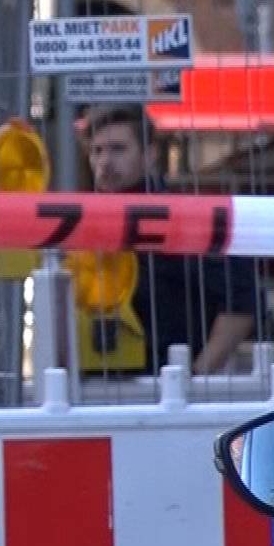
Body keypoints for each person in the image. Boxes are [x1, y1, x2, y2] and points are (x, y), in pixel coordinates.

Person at [84, 104, 261, 375]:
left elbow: (241, 302)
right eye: (97, 151)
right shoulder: (84, 223)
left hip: (168, 380)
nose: (105, 162)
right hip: (93, 380)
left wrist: (198, 375)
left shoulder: (185, 220)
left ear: (150, 154)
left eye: (118, 149)